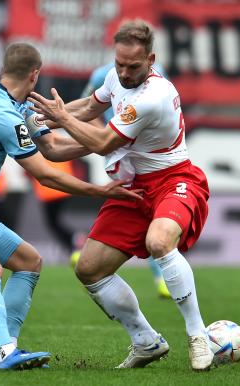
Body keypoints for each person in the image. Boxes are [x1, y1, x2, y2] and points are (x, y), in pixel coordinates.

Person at [0, 42, 142, 370]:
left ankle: (4, 349)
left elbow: (51, 147)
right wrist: (99, 190)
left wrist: (105, 143)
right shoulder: (2, 115)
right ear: (35, 75)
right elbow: (45, 175)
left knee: (29, 261)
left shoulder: (13, 108)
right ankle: (8, 351)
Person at [28, 19, 214, 371]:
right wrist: (36, 118)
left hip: (175, 179)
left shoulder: (153, 97)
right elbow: (88, 108)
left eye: (133, 66)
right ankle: (146, 341)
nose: (125, 73)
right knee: (89, 269)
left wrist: (58, 120)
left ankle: (198, 334)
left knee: (160, 241)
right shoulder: (115, 77)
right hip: (134, 187)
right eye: (120, 64)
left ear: (152, 59)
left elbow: (101, 143)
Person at [76, 62, 172, 299]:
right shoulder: (103, 74)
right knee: (121, 201)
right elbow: (86, 107)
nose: (126, 71)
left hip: (147, 154)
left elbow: (167, 105)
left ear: (147, 56)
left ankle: (161, 276)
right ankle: (95, 250)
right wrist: (102, 135)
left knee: (153, 216)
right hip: (116, 151)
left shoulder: (157, 74)